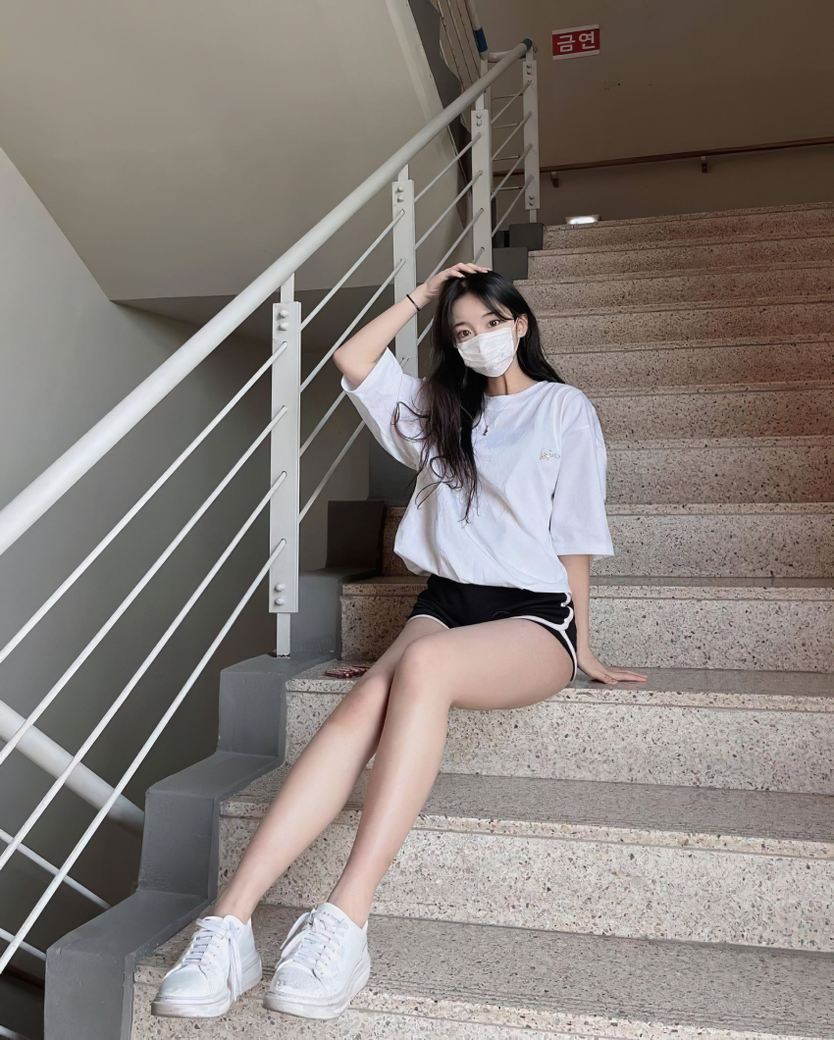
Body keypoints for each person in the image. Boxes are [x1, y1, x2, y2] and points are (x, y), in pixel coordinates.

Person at [150, 262, 647, 1022]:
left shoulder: (563, 408)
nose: (480, 339)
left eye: (492, 323)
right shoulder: (439, 411)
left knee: (419, 665)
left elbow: (575, 531)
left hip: (532, 616)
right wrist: (423, 295)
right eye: (462, 331)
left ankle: (347, 917)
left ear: (521, 324)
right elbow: (354, 359)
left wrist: (583, 642)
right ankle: (229, 924)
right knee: (368, 699)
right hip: (445, 603)